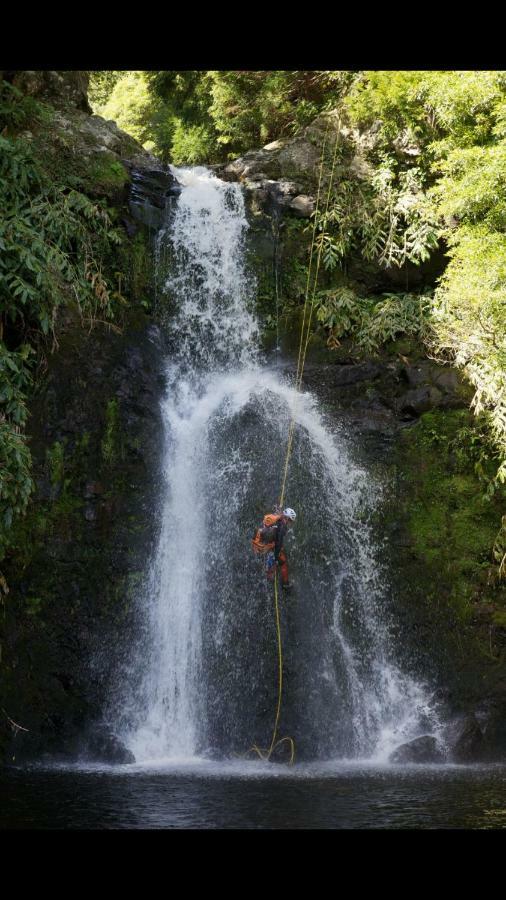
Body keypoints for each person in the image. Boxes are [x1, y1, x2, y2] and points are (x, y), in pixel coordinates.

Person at [252, 506, 296, 590]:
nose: (290, 523)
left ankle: (267, 571)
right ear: (286, 518)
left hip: (256, 539)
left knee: (274, 548)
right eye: (290, 520)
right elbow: (279, 543)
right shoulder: (282, 527)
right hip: (261, 545)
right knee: (282, 562)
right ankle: (284, 585)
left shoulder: (277, 516)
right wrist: (276, 558)